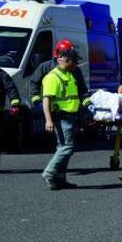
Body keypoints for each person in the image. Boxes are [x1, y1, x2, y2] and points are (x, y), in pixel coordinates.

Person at [40, 49, 83, 189]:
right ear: (66, 60)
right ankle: (49, 172)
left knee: (62, 147)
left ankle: (60, 179)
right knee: (67, 147)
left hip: (70, 116)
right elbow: (46, 99)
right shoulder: (53, 77)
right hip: (62, 117)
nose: (76, 65)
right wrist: (48, 120)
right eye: (74, 61)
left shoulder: (68, 74)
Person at [28, 39, 92, 115]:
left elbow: (82, 89)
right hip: (50, 110)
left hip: (71, 112)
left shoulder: (75, 70)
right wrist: (37, 101)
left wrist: (88, 103)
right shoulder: (46, 67)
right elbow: (34, 83)